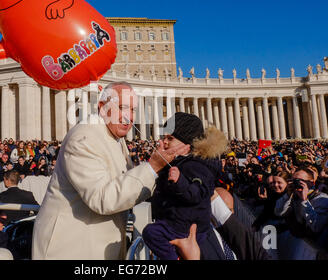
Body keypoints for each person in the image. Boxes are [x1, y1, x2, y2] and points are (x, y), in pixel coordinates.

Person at [32, 81, 190, 260]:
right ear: (102, 107)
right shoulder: (84, 138)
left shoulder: (114, 136)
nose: (129, 117)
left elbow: (125, 184)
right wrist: (153, 167)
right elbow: (102, 198)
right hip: (72, 247)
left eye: (133, 110)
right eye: (123, 108)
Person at [142, 112, 228, 260]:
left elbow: (196, 192)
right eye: (164, 138)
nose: (165, 142)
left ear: (187, 145)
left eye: (170, 138)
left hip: (186, 226)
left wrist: (179, 181)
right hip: (179, 222)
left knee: (151, 233)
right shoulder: (181, 163)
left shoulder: (196, 165)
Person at [274, 165, 328, 240]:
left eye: (300, 181)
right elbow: (278, 212)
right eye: (294, 180)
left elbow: (316, 227)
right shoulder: (293, 195)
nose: (296, 183)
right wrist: (287, 195)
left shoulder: (322, 199)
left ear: (312, 183)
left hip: (311, 245)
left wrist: (304, 200)